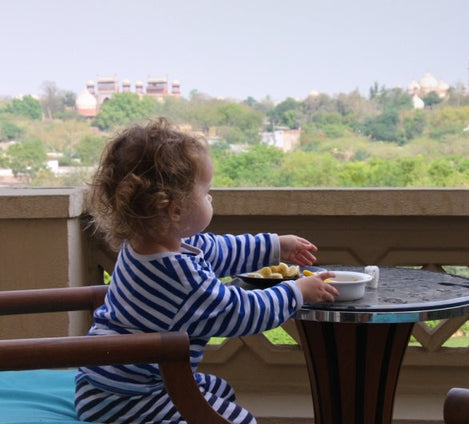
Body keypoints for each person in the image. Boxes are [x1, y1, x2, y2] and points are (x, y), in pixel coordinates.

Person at [75, 118, 339, 424]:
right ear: (175, 210)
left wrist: (274, 246)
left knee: (218, 391)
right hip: (129, 401)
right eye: (206, 193)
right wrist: (297, 292)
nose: (211, 198)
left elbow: (220, 250)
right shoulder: (177, 275)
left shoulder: (146, 247)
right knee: (240, 421)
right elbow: (239, 313)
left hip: (109, 384)